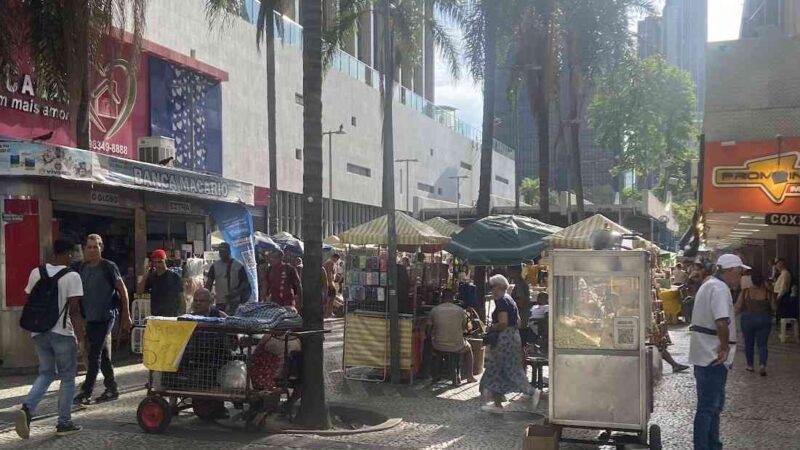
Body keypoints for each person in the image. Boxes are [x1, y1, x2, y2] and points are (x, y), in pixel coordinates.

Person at [15, 239, 85, 439]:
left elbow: (30, 299)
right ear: (69, 254)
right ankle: (64, 423)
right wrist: (81, 340)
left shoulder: (37, 272)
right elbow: (74, 310)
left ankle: (27, 408)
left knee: (46, 373)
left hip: (38, 332)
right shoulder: (73, 276)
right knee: (67, 378)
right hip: (62, 334)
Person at [689, 254, 747, 450]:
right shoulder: (719, 288)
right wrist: (723, 348)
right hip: (712, 355)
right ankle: (704, 446)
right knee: (709, 406)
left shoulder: (709, 284)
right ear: (731, 271)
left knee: (712, 406)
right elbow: (721, 321)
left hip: (705, 353)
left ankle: (713, 444)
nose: (741, 276)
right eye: (739, 272)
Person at [73, 234, 131, 405]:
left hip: (106, 316)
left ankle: (86, 392)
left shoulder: (108, 266)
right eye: (89, 247)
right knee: (103, 355)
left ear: (101, 248)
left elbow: (123, 290)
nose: (92, 250)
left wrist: (126, 314)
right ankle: (112, 388)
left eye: (96, 247)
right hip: (90, 318)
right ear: (85, 249)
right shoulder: (82, 268)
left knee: (94, 354)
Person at [479, 274, 536, 414]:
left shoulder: (501, 302)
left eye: (492, 287)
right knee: (500, 370)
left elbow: (503, 323)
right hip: (513, 337)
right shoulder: (509, 299)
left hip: (504, 340)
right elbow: (518, 322)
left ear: (499, 287)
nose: (491, 290)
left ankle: (534, 392)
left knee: (504, 370)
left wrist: (491, 328)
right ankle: (497, 405)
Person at [428, 289, 477, 384]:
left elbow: (429, 329)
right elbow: (465, 328)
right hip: (457, 345)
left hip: (438, 345)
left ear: (442, 298)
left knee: (429, 345)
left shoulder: (434, 310)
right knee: (469, 348)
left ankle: (433, 374)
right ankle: (470, 376)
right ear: (452, 298)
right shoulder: (460, 311)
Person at [735, 270, 771, 376]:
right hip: (764, 319)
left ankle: (750, 365)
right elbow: (774, 306)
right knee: (762, 344)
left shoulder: (745, 292)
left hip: (748, 319)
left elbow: (738, 306)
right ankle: (762, 365)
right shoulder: (767, 292)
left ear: (752, 280)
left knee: (748, 343)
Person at [205, 243, 250, 314]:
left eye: (223, 251)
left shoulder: (238, 265)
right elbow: (209, 283)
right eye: (220, 251)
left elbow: (245, 282)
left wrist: (236, 292)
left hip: (234, 301)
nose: (221, 253)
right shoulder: (215, 266)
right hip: (220, 301)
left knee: (232, 320)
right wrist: (207, 297)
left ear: (229, 251)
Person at [137, 249, 184, 317]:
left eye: (160, 262)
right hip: (156, 315)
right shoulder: (152, 277)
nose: (157, 264)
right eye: (155, 262)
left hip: (171, 316)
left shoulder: (174, 277)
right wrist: (146, 274)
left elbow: (181, 297)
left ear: (165, 261)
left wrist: (182, 315)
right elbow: (139, 292)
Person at [508, 265, 533, 347]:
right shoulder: (520, 284)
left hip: (521, 319)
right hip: (522, 319)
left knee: (520, 346)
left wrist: (510, 302)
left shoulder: (520, 285)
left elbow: (521, 302)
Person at [323, 254, 341, 318]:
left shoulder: (328, 262)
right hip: (329, 283)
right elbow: (329, 273)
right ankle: (327, 313)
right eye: (337, 259)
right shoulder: (330, 262)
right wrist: (330, 283)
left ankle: (329, 313)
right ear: (334, 257)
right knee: (329, 299)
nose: (337, 260)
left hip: (328, 283)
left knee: (331, 299)